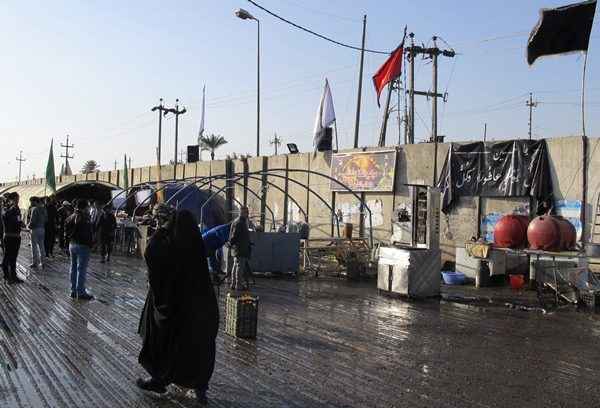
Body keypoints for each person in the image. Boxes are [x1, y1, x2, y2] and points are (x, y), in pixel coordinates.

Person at [137, 206, 219, 406]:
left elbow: (150, 252)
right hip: (199, 313)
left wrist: (162, 230)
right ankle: (200, 389)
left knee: (163, 341)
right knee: (199, 348)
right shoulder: (196, 249)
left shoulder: (170, 247)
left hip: (174, 312)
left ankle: (159, 380)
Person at [65, 199, 94, 300]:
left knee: (73, 267)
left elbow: (66, 232)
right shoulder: (84, 217)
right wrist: (91, 244)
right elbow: (87, 233)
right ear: (85, 207)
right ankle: (81, 291)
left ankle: (73, 290)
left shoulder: (70, 217)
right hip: (83, 245)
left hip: (72, 244)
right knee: (81, 269)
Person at [2, 193, 25, 284]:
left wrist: (21, 223)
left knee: (13, 257)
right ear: (11, 199)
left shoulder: (16, 209)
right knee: (7, 257)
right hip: (9, 236)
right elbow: (11, 221)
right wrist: (19, 223)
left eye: (18, 199)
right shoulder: (8, 210)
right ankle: (7, 276)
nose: (17, 200)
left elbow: (18, 221)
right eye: (16, 199)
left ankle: (13, 275)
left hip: (16, 236)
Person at [228, 206, 252, 291]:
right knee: (239, 267)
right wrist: (231, 243)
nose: (248, 214)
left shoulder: (238, 222)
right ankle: (238, 285)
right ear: (242, 213)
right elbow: (235, 236)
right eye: (246, 212)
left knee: (236, 266)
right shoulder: (240, 223)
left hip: (238, 248)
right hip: (240, 249)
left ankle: (234, 284)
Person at [27, 197, 47, 268]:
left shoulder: (34, 209)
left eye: (31, 202)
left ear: (35, 201)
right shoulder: (44, 209)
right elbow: (46, 219)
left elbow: (33, 221)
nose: (31, 203)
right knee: (41, 246)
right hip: (42, 229)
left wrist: (28, 226)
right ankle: (43, 262)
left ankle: (35, 262)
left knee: (34, 247)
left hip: (35, 230)